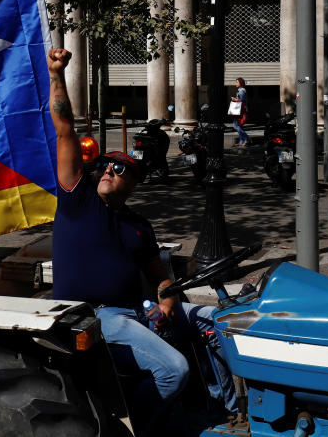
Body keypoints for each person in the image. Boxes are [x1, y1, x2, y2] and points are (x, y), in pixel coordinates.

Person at [46, 48, 235, 434]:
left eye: (121, 169)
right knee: (174, 370)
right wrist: (57, 74)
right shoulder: (77, 201)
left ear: (133, 184)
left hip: (140, 309)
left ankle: (227, 411)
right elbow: (64, 125)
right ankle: (138, 428)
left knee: (221, 321)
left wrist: (166, 301)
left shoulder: (138, 225)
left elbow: (160, 276)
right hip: (95, 315)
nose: (109, 171)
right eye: (105, 166)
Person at [231, 77, 249, 146]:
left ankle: (247, 138)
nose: (236, 83)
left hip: (241, 111)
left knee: (236, 126)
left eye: (237, 82)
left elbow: (241, 101)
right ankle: (241, 141)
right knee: (239, 126)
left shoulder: (242, 91)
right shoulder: (240, 90)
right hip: (239, 110)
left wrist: (235, 100)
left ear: (240, 83)